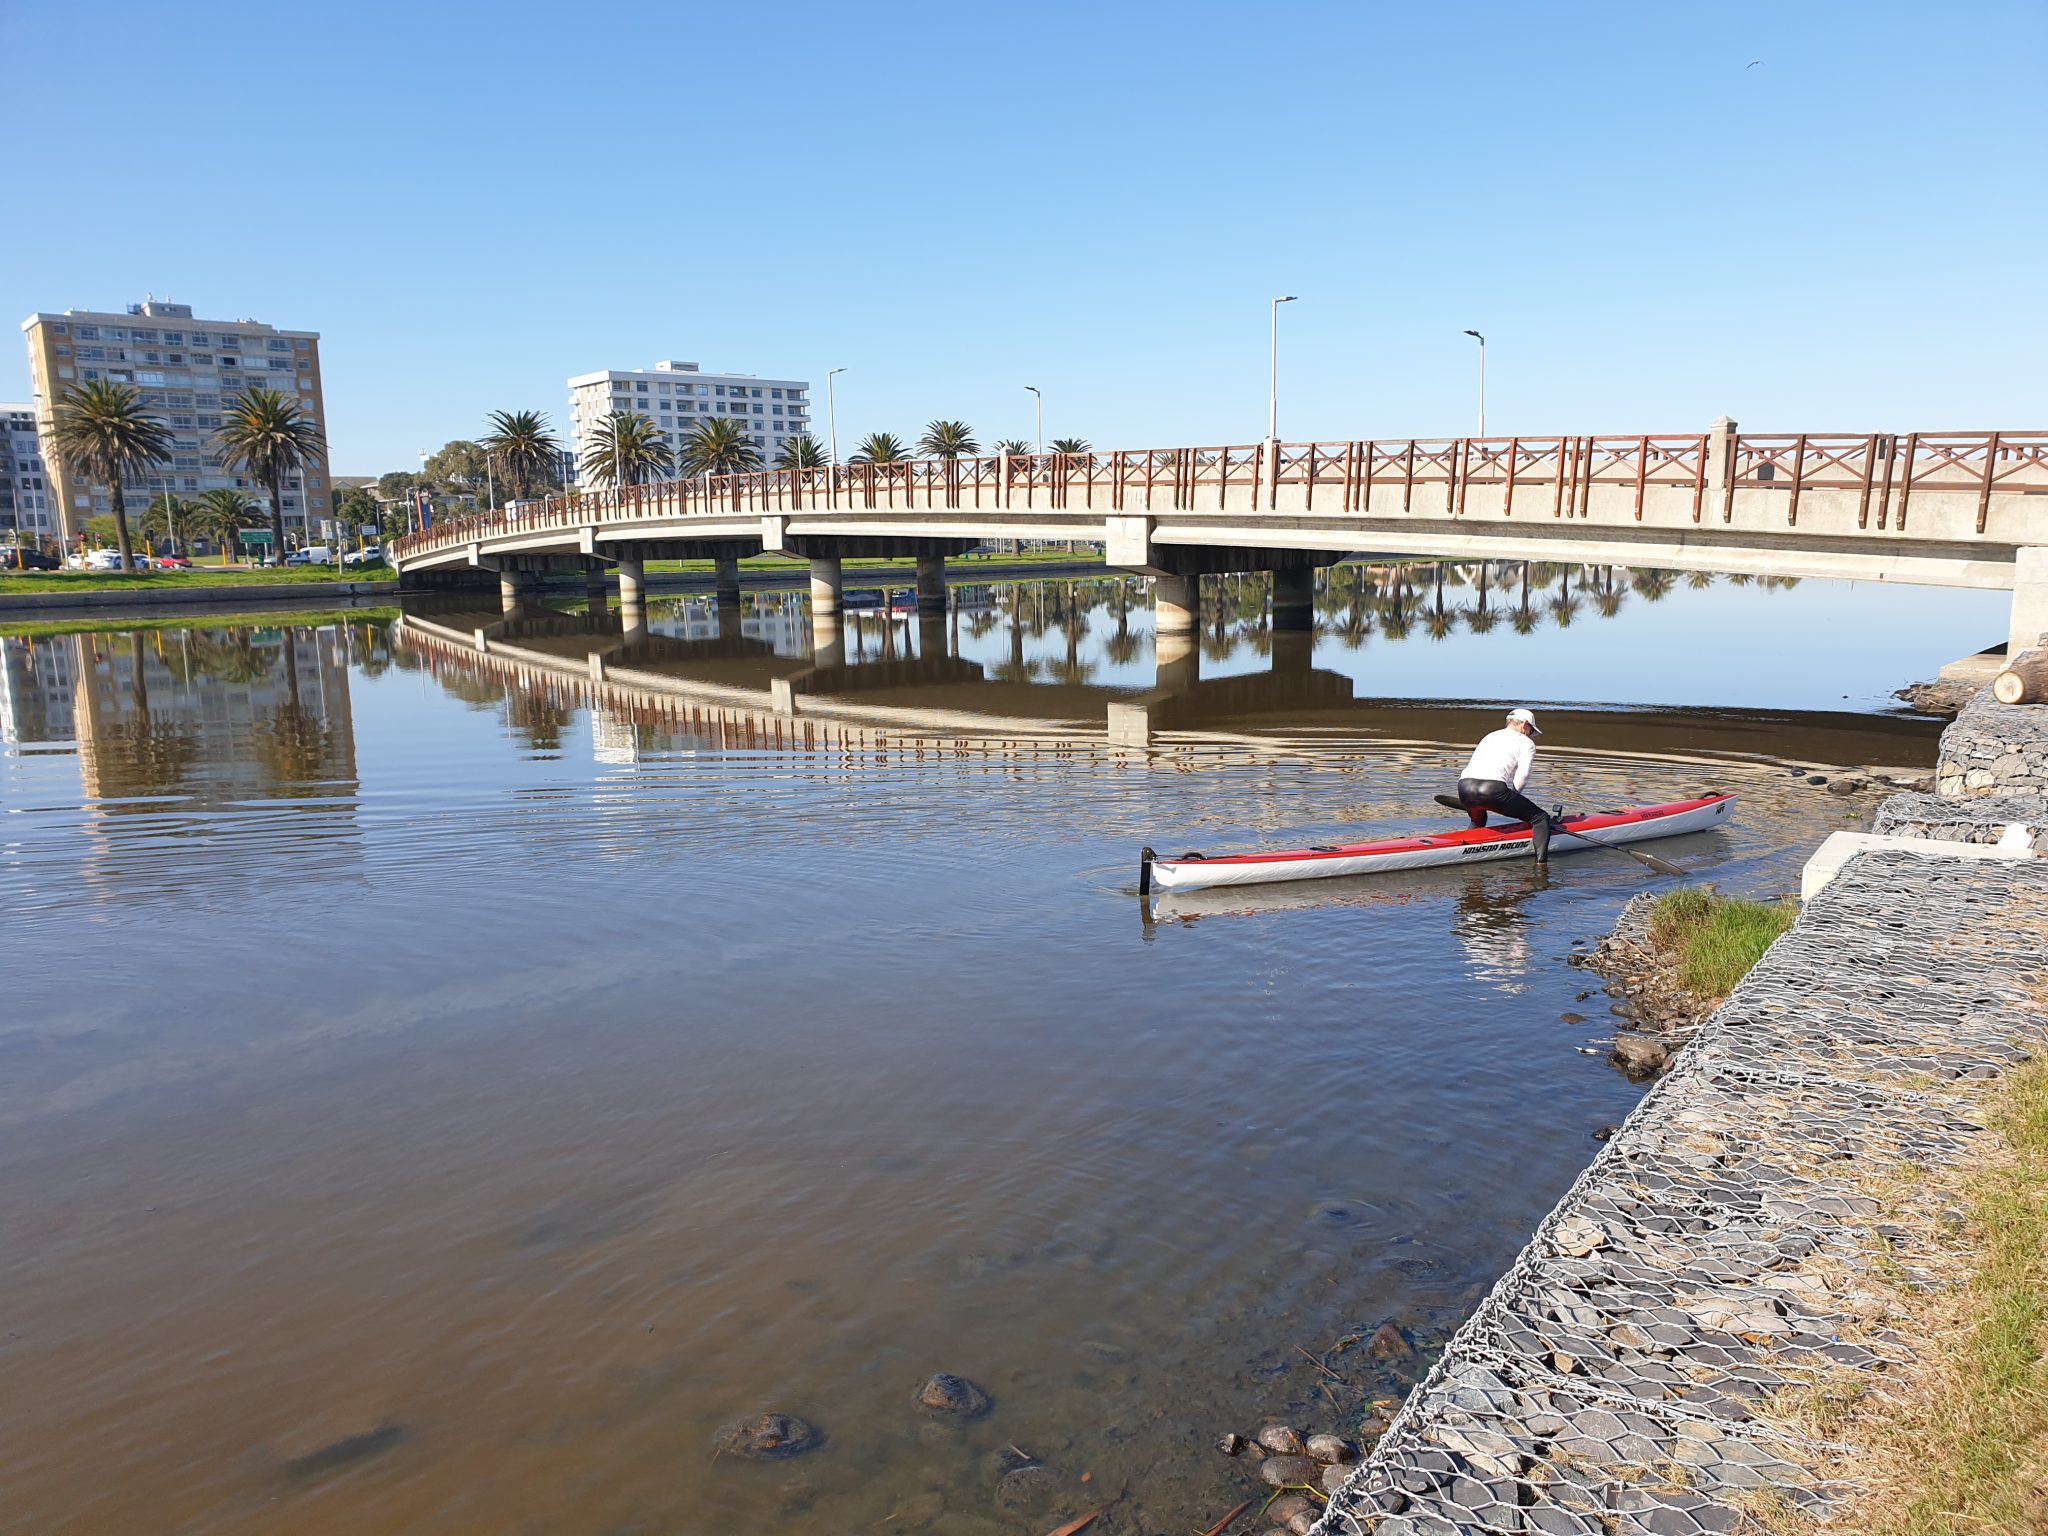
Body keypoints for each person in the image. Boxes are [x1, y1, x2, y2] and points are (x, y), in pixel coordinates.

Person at [1457, 707, 1554, 863]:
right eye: (1530, 730)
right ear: (1525, 725)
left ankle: (1463, 851)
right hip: (1492, 789)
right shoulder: (1526, 743)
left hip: (1464, 788)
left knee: (1478, 820)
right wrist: (1514, 796)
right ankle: (1541, 865)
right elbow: (1523, 774)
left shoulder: (1490, 736)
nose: (1530, 734)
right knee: (1541, 818)